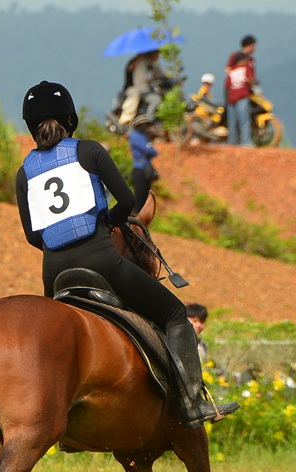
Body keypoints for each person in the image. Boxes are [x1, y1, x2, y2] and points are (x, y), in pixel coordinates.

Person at [15, 81, 238, 428]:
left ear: (31, 126)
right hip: (102, 260)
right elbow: (128, 202)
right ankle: (194, 403)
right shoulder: (89, 151)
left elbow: (32, 236)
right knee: (176, 314)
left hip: (53, 272)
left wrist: (59, 243)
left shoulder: (24, 173)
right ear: (69, 118)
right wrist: (107, 224)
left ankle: (56, 422)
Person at [224, 35, 256, 146]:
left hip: (232, 95)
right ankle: (245, 143)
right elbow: (251, 79)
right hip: (241, 95)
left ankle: (232, 143)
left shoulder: (249, 61)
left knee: (234, 122)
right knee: (243, 121)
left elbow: (227, 80)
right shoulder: (245, 63)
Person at [120, 50, 163, 124]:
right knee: (153, 100)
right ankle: (146, 120)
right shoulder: (139, 62)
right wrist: (151, 77)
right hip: (137, 88)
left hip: (146, 89)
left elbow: (161, 73)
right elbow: (141, 78)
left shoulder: (153, 63)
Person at [128, 114, 159, 213]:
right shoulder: (136, 136)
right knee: (139, 198)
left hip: (145, 170)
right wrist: (148, 150)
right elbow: (150, 150)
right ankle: (134, 220)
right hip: (140, 170)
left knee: (145, 198)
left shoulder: (144, 137)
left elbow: (154, 152)